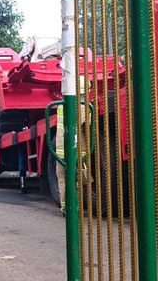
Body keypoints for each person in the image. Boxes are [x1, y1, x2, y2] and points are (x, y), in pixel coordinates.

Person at [56, 76, 90, 216]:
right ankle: (75, 208)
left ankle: (65, 208)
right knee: (77, 180)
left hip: (59, 150)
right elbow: (85, 127)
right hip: (76, 150)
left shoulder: (61, 106)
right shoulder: (84, 106)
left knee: (63, 179)